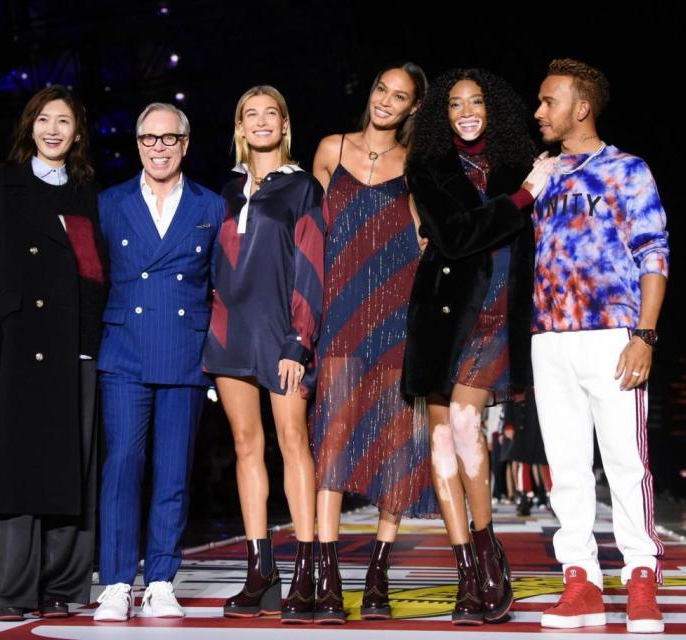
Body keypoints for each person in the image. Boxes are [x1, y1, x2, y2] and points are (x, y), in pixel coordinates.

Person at [402, 68, 553, 625]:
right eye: (455, 104)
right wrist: (522, 198)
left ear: (494, 110)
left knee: (464, 428)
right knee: (442, 441)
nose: (466, 110)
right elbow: (458, 236)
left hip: (495, 318)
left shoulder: (523, 162)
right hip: (441, 317)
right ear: (443, 114)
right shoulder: (428, 167)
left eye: (477, 101)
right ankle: (469, 571)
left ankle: (488, 555)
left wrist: (525, 190)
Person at [530, 58, 670, 633]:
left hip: (613, 333)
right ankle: (581, 582)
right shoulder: (541, 176)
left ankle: (640, 578)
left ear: (580, 107)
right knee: (566, 468)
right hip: (549, 336)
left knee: (626, 462)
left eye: (548, 101)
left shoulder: (626, 169)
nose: (539, 111)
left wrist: (644, 335)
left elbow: (653, 253)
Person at [0, 85, 106, 621]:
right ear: (30, 126)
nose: (53, 129)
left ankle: (66, 585)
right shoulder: (1, 184)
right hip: (19, 342)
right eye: (44, 119)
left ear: (77, 133)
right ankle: (14, 589)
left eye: (64, 122)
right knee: (18, 465)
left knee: (74, 464)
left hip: (76, 344)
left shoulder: (87, 189)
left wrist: (93, 344)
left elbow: (96, 272)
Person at [309, 63, 438, 624]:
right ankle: (328, 576)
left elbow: (424, 240)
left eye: (400, 96)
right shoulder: (330, 150)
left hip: (395, 319)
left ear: (413, 108)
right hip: (338, 315)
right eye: (382, 90)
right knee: (332, 438)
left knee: (396, 445)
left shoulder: (416, 166)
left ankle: (380, 573)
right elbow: (309, 237)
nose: (386, 101)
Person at [93, 102, 225, 621]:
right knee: (122, 466)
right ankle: (118, 581)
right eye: (149, 138)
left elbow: (221, 285)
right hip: (123, 349)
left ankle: (163, 579)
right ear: (137, 144)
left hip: (184, 351)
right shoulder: (109, 203)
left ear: (185, 144)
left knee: (173, 471)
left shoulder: (211, 206)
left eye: (169, 138)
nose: (159, 147)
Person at [202, 85, 325, 624]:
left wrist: (300, 338)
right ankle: (261, 571)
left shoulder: (302, 187)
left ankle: (306, 570)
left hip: (281, 333)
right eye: (249, 114)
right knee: (246, 446)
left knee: (293, 441)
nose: (260, 122)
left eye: (269, 113)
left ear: (284, 122)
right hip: (229, 333)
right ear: (239, 127)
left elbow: (313, 265)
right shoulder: (224, 190)